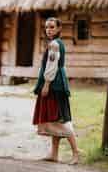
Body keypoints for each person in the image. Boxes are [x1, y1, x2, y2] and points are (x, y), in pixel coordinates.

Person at [33, 17, 79, 165]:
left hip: (54, 85)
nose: (48, 30)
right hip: (57, 82)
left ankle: (76, 152)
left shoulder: (54, 45)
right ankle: (54, 154)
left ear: (59, 29)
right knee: (54, 118)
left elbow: (52, 66)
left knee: (61, 118)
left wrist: (46, 84)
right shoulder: (56, 43)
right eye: (47, 27)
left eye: (52, 27)